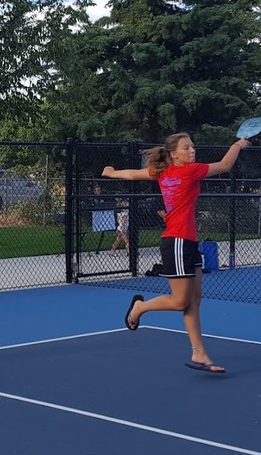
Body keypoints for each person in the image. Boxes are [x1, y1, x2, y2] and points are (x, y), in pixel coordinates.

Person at [103, 133, 249, 374]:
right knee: (181, 301)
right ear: (174, 154)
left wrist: (112, 173)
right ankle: (140, 307)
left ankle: (198, 352)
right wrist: (237, 144)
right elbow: (224, 165)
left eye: (192, 146)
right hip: (176, 241)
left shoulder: (163, 172)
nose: (192, 150)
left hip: (189, 242)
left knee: (194, 300)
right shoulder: (188, 171)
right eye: (186, 147)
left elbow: (132, 174)